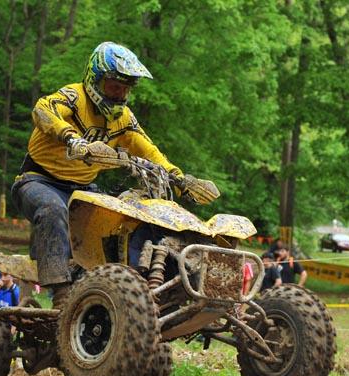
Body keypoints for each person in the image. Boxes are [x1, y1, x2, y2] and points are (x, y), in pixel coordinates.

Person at [11, 41, 219, 308]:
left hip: (83, 188)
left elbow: (149, 150)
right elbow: (43, 110)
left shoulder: (124, 119)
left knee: (124, 217)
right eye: (113, 86)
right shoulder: (74, 98)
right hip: (37, 180)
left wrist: (180, 178)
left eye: (125, 88)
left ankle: (120, 286)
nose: (119, 94)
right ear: (94, 80)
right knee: (52, 208)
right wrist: (71, 138)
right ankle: (61, 294)